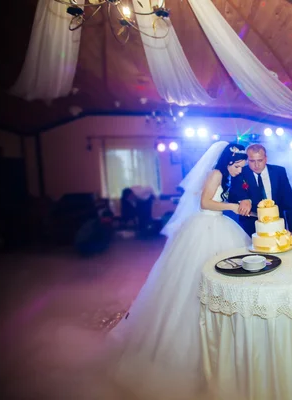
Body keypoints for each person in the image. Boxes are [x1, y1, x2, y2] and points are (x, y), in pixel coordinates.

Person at [105, 142, 250, 400]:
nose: (240, 170)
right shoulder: (216, 174)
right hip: (205, 229)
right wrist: (233, 206)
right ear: (229, 161)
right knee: (193, 282)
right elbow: (206, 203)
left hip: (219, 227)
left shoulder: (226, 175)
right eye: (238, 165)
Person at [229, 144, 292, 237]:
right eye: (252, 161)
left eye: (260, 160)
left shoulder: (279, 172)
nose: (256, 165)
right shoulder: (239, 173)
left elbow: (289, 200)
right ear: (247, 160)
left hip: (277, 224)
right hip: (249, 227)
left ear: (266, 158)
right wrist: (243, 199)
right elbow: (232, 195)